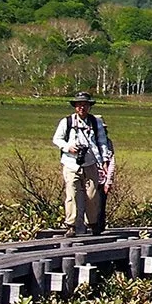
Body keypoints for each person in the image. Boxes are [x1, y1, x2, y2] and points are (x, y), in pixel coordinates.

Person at [51, 92, 114, 236]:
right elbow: (57, 139)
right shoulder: (66, 122)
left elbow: (102, 142)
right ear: (75, 106)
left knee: (92, 196)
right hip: (70, 163)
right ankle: (71, 225)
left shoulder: (95, 122)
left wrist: (104, 160)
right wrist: (68, 148)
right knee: (71, 194)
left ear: (89, 106)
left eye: (85, 104)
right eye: (79, 105)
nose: (82, 107)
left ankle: (92, 223)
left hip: (91, 163)